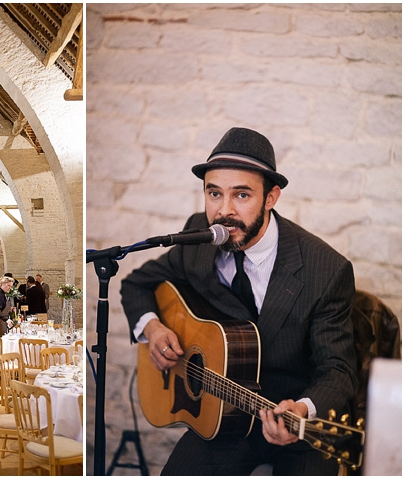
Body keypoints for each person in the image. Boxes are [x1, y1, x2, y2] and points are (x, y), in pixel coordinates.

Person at [119, 127, 357, 475]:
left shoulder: (325, 269)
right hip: (222, 420)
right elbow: (137, 284)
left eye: (241, 195)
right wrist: (153, 329)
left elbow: (338, 370)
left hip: (294, 426)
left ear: (271, 197)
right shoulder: (199, 234)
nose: (224, 211)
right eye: (214, 193)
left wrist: (302, 409)